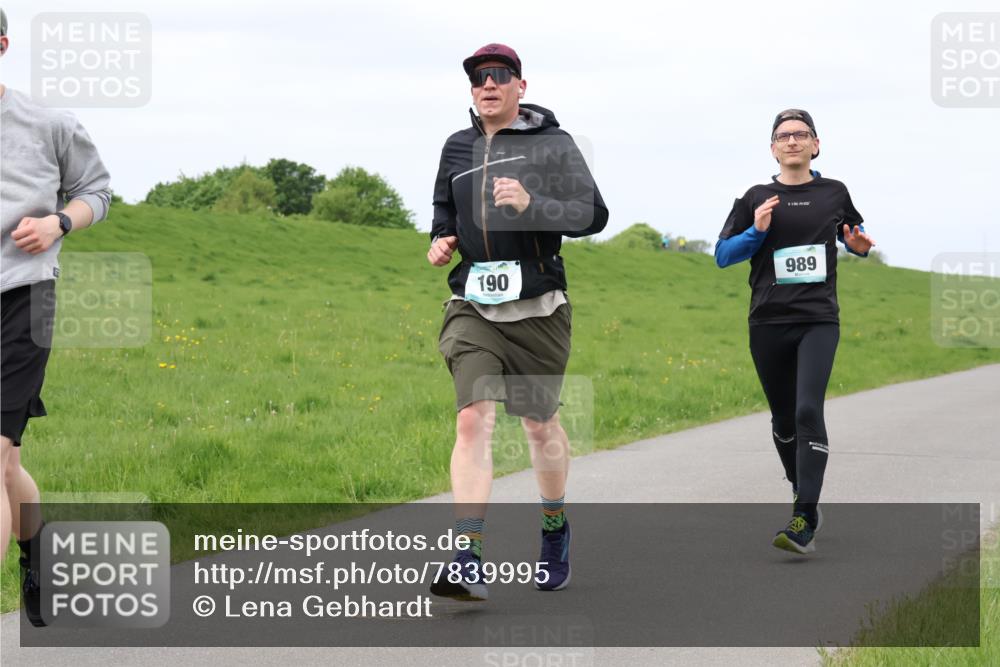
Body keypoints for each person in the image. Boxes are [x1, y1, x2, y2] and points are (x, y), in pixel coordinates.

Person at [427, 43, 608, 600]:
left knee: (538, 423)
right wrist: (441, 239)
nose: (488, 85)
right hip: (473, 303)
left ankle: (554, 527)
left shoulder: (554, 145)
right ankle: (468, 555)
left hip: (537, 307)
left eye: (500, 76)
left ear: (520, 87)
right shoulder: (456, 146)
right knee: (472, 419)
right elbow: (442, 209)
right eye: (479, 78)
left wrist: (532, 203)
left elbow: (592, 216)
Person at [715, 109, 874, 554]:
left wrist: (858, 248)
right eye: (783, 136)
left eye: (800, 134)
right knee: (783, 421)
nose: (792, 141)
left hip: (818, 318)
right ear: (773, 148)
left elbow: (853, 236)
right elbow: (723, 255)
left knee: (808, 410)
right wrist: (757, 230)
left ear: (815, 145)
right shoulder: (755, 197)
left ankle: (804, 515)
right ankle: (799, 486)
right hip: (767, 320)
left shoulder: (833, 192)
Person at [0, 6, 113, 625]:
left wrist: (58, 222)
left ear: (3, 45)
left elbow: (97, 190)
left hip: (23, 296)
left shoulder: (48, 124)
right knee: (9, 464)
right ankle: (36, 562)